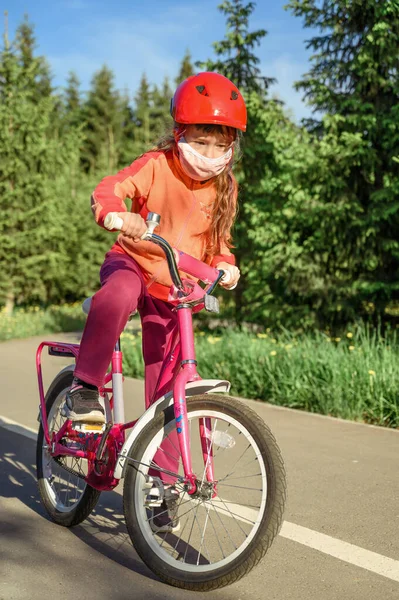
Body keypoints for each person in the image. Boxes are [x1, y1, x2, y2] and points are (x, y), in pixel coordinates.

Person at [64, 71, 247, 425]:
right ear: (180, 133)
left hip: (175, 287)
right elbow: (111, 188)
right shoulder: (156, 164)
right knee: (119, 294)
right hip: (133, 262)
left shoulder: (226, 187)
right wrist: (116, 214)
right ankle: (84, 388)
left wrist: (225, 264)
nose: (210, 154)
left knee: (169, 387)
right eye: (202, 141)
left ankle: (160, 477)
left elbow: (220, 240)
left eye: (221, 146)